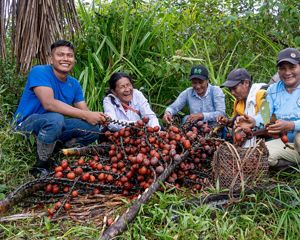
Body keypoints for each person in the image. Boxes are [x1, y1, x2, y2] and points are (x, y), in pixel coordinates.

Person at [13, 40, 107, 177]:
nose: (65, 58)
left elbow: (85, 113)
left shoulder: (74, 84)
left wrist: (97, 117)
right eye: (60, 55)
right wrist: (86, 115)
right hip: (26, 127)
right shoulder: (39, 71)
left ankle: (57, 154)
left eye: (69, 55)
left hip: (54, 127)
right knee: (56, 119)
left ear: (74, 60)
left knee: (92, 129)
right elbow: (49, 103)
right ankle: (41, 166)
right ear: (51, 59)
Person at [235, 47, 300, 168]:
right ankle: (294, 164)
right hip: (288, 143)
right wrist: (253, 121)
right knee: (261, 155)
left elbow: (292, 126)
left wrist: (291, 125)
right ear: (278, 71)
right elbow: (265, 116)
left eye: (292, 67)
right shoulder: (272, 90)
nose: (287, 72)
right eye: (282, 68)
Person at [219, 68, 268, 147]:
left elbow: (269, 124)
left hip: (266, 141)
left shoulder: (262, 94)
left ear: (246, 83)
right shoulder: (238, 101)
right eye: (230, 89)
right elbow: (236, 121)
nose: (232, 93)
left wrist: (249, 133)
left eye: (234, 88)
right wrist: (228, 122)